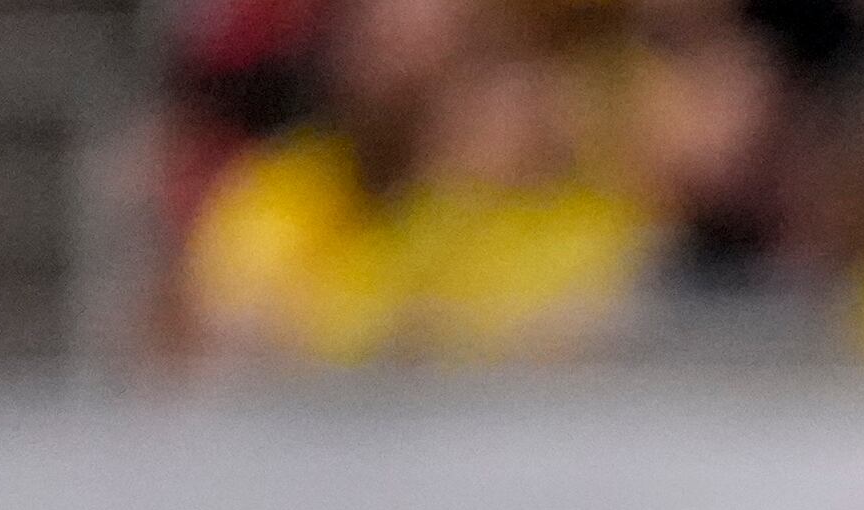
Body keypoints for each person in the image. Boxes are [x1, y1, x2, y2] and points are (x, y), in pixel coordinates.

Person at [185, 0, 657, 365]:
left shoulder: (582, 216)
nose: (394, 71)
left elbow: (550, 341)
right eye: (376, 40)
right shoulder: (292, 184)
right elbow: (232, 318)